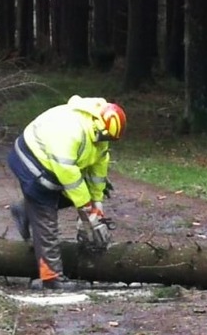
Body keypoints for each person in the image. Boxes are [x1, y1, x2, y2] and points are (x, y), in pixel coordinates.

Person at [8, 95, 126, 291]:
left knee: (97, 188)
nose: (104, 142)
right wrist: (86, 212)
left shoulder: (100, 133)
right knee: (46, 212)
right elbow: (69, 177)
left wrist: (97, 208)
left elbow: (97, 171)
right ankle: (51, 278)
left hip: (58, 166)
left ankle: (25, 209)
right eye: (104, 138)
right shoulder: (70, 133)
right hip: (32, 162)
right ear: (97, 125)